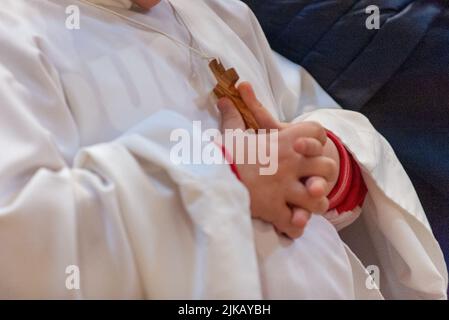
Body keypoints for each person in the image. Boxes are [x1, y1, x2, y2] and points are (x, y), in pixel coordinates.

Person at [0, 0, 446, 299]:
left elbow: (305, 111)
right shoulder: (17, 33)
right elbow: (20, 232)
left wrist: (323, 162)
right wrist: (223, 175)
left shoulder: (211, 11)